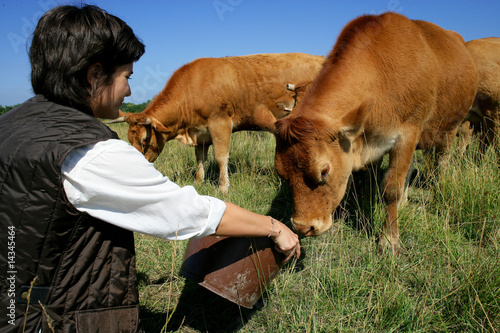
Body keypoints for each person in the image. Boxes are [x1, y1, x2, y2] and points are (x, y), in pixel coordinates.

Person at [0, 4, 300, 332]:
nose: (129, 90)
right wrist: (275, 227)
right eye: (126, 77)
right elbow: (185, 213)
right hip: (55, 319)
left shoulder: (9, 126)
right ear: (94, 75)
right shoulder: (91, 151)